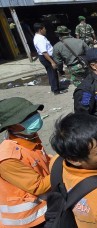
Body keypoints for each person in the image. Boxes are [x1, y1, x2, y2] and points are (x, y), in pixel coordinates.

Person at [0, 97, 51, 227]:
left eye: (33, 113)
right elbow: (38, 186)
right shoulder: (8, 158)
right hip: (28, 221)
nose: (34, 118)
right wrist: (65, 167)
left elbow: (42, 160)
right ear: (11, 126)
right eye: (26, 117)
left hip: (44, 210)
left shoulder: (29, 136)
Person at [33, 23, 67, 95]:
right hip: (47, 58)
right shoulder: (40, 39)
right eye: (44, 29)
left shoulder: (39, 37)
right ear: (40, 30)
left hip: (46, 57)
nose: (45, 30)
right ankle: (56, 90)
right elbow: (44, 52)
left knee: (51, 73)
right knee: (53, 73)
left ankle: (54, 88)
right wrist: (52, 62)